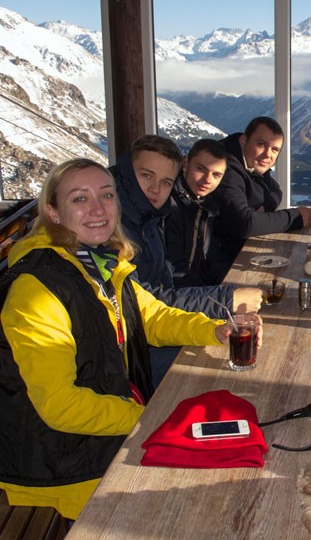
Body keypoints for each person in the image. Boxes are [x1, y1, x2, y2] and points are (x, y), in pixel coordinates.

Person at [0, 158, 253, 520]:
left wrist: (213, 329)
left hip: (102, 424)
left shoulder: (100, 263)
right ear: (53, 213)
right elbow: (60, 406)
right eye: (79, 199)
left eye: (106, 195)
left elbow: (151, 315)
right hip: (61, 460)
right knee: (203, 500)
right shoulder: (37, 291)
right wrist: (150, 416)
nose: (99, 209)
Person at [111, 135, 261, 385]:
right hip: (130, 353)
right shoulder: (117, 229)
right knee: (220, 374)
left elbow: (159, 297)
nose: (155, 189)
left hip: (153, 328)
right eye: (146, 175)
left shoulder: (151, 218)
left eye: (165, 181)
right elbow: (147, 308)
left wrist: (216, 319)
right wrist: (225, 298)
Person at [212, 116, 311, 274]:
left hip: (234, 250)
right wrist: (295, 218)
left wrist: (262, 209)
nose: (267, 155)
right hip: (217, 264)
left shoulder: (249, 159)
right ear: (244, 140)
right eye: (261, 144)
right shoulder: (226, 167)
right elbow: (243, 225)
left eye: (274, 150)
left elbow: (275, 191)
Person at [165, 138, 229, 286]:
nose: (207, 180)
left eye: (216, 175)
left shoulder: (207, 207)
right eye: (200, 169)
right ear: (186, 163)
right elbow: (176, 273)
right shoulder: (169, 206)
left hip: (195, 291)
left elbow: (212, 260)